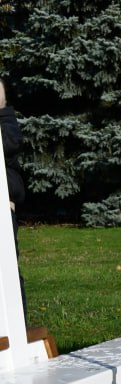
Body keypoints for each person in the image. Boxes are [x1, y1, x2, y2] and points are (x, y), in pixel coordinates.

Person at [0, 77, 27, 311]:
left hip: (4, 207)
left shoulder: (6, 122)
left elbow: (10, 143)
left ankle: (19, 325)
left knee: (8, 274)